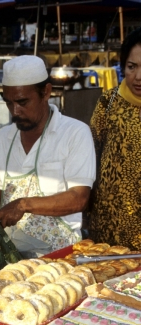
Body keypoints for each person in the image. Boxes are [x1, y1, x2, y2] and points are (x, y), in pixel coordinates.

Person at [0, 55, 96, 257]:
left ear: (46, 92)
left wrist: (23, 205)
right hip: (12, 253)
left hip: (60, 254)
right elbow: (1, 195)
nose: (15, 111)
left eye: (22, 102)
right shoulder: (4, 137)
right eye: (9, 103)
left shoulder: (75, 133)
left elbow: (78, 199)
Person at [88, 28, 141, 249]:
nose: (138, 77)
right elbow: (91, 152)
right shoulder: (108, 102)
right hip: (109, 221)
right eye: (131, 67)